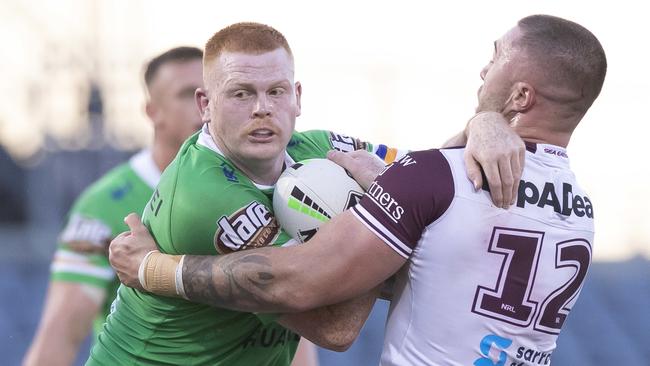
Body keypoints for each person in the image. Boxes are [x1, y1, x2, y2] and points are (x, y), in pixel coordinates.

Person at [110, 14, 606, 365]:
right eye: (241, 94)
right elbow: (333, 325)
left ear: (298, 97)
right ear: (206, 104)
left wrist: (153, 268)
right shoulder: (203, 196)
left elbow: (415, 182)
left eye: (276, 91)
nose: (262, 108)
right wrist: (479, 125)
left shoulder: (319, 148)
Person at [23, 46, 204, 366]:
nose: (204, 106)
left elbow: (280, 319)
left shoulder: (257, 186)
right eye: (187, 94)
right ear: (152, 111)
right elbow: (61, 333)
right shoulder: (102, 207)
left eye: (211, 93)